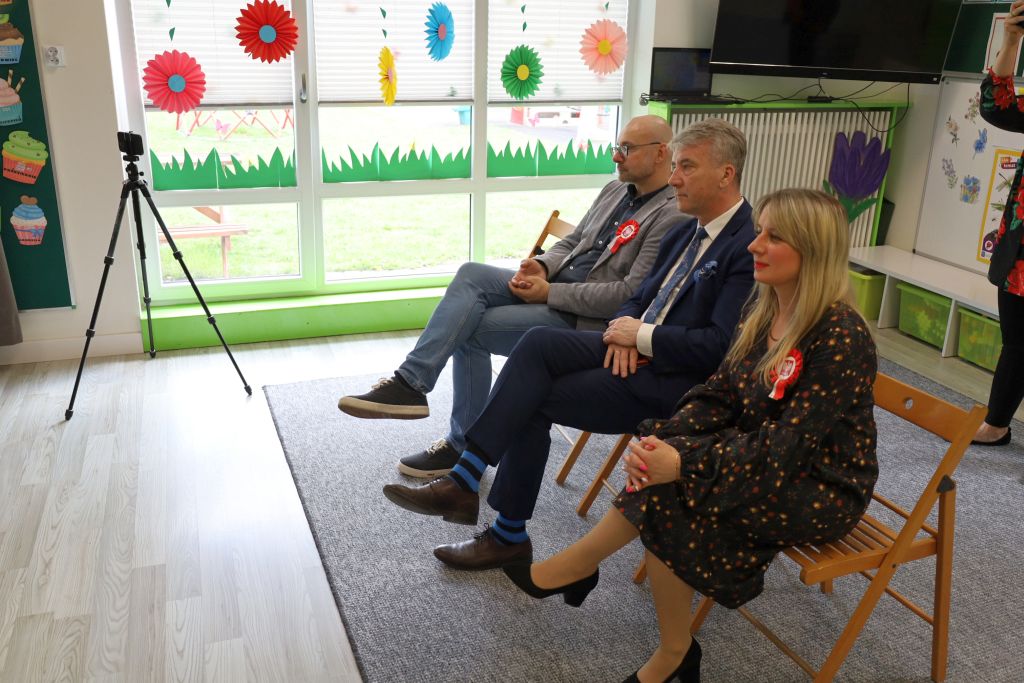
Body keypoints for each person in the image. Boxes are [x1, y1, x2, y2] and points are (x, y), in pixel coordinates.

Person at [502, 188, 879, 683]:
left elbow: (786, 449)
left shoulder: (840, 336)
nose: (754, 245)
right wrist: (668, 438)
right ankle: (670, 646)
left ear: (812, 250)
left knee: (674, 489)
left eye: (774, 237)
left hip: (819, 483)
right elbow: (719, 393)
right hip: (757, 452)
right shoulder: (764, 308)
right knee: (663, 467)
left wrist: (682, 463)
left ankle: (628, 609)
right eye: (759, 231)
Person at [382, 118, 757, 570]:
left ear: (726, 174)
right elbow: (639, 297)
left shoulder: (747, 247)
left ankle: (500, 527)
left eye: (687, 167)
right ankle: (467, 483)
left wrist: (638, 335)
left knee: (530, 397)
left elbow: (718, 347)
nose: (675, 177)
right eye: (675, 166)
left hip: (675, 380)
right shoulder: (686, 231)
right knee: (537, 345)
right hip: (630, 346)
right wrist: (625, 327)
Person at [339, 115, 686, 477]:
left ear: (661, 153)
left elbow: (628, 295)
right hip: (553, 288)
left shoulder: (671, 215)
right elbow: (574, 241)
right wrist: (542, 266)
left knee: (468, 328)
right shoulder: (614, 190)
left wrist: (551, 292)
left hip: (584, 320)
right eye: (617, 147)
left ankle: (459, 444)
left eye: (626, 149)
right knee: (471, 273)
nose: (616, 157)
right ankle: (411, 382)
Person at [973, 3, 1024, 447]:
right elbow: (996, 105)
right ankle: (997, 423)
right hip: (1021, 249)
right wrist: (1011, 39)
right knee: (1018, 339)